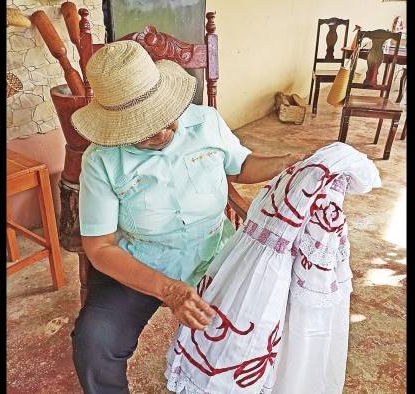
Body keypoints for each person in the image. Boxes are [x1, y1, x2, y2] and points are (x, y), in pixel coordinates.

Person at [70, 40, 308, 394]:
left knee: (267, 320)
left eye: (166, 117)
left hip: (215, 254)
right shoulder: (101, 160)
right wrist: (167, 288)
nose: (164, 131)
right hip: (143, 261)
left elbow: (240, 165)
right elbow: (101, 246)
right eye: (145, 128)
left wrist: (287, 164)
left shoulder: (205, 121)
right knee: (94, 342)